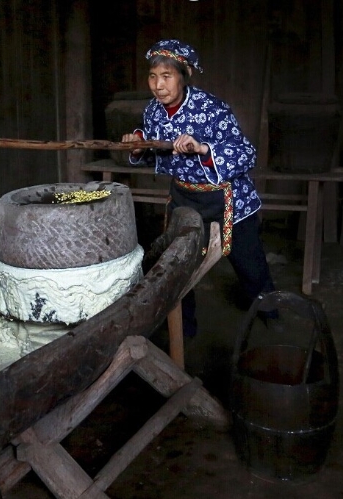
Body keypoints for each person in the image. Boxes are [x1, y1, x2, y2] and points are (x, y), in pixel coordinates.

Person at [122, 39, 277, 337]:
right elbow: (154, 146)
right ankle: (184, 329)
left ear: (185, 75)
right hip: (183, 198)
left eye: (166, 77)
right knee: (179, 264)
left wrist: (202, 147)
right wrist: (140, 144)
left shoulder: (213, 108)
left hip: (228, 201)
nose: (158, 85)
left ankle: (272, 317)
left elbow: (246, 153)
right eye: (153, 77)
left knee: (251, 266)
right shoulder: (153, 111)